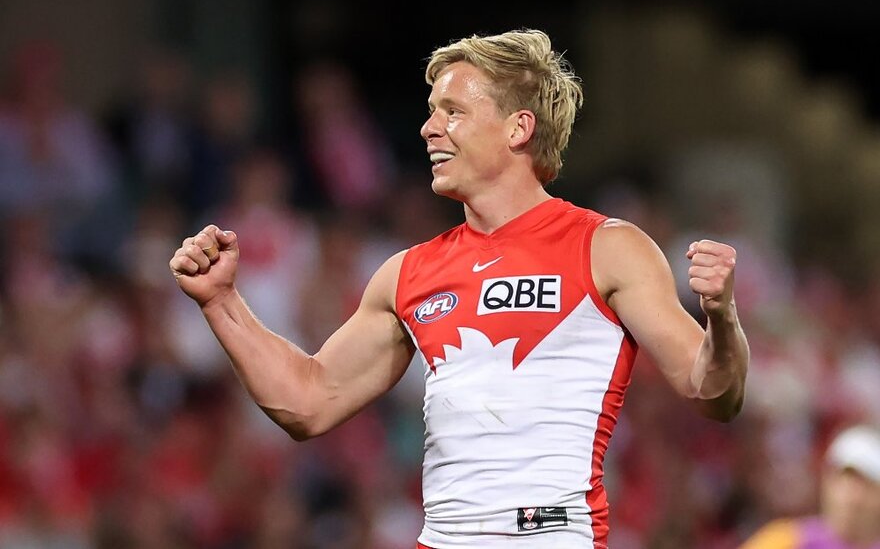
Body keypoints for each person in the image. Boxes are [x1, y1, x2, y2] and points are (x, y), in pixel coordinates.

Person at [169, 29, 749, 548]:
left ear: (518, 128)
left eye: (453, 111)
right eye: (430, 111)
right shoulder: (408, 272)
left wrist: (721, 318)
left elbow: (712, 392)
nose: (428, 127)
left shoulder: (606, 247)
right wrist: (222, 303)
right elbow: (307, 402)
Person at [741, 425, 880, 549]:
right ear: (826, 482)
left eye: (866, 485)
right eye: (843, 481)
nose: (852, 497)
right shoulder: (787, 540)